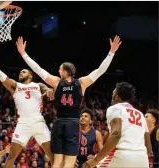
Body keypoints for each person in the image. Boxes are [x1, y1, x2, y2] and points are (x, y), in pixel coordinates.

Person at [16, 35, 122, 168]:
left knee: (57, 162)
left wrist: (24, 54)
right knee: (69, 163)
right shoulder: (81, 83)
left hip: (59, 123)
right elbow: (100, 70)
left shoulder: (56, 82)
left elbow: (38, 70)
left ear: (65, 71)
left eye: (60, 69)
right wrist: (111, 53)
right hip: (72, 124)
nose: (58, 71)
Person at [0, 50, 54, 168]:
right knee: (11, 157)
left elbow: (49, 90)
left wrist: (49, 91)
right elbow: (0, 74)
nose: (21, 73)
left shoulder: (38, 85)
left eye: (24, 71)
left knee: (52, 156)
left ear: (31, 76)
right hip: (23, 123)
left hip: (38, 122)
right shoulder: (15, 86)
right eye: (20, 72)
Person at [83, 82, 153, 168]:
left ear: (116, 96)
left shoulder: (115, 108)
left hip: (122, 156)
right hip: (142, 160)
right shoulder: (140, 114)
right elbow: (147, 140)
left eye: (113, 94)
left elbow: (116, 134)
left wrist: (96, 160)